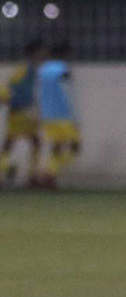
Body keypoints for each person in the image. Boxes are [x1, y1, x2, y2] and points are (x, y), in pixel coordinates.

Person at [0, 40, 46, 187]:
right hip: (22, 111)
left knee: (11, 142)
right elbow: (13, 86)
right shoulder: (27, 68)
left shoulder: (28, 68)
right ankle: (31, 176)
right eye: (41, 51)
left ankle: (8, 169)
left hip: (19, 110)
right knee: (34, 142)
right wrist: (15, 101)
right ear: (33, 52)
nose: (43, 54)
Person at [37, 42, 80, 188]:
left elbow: (39, 90)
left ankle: (50, 175)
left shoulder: (43, 69)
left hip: (47, 115)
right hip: (63, 114)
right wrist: (75, 116)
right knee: (75, 146)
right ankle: (49, 174)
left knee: (57, 147)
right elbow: (68, 91)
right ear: (64, 54)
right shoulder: (63, 68)